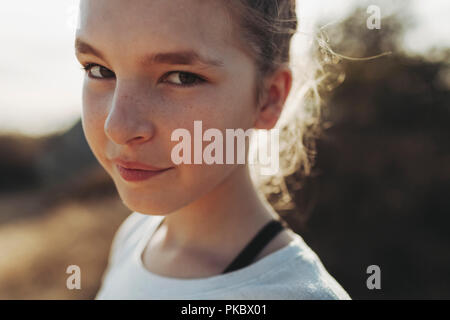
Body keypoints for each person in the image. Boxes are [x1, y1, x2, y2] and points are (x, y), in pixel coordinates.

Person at [74, 0, 350, 299]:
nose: (118, 127)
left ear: (270, 97)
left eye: (181, 77)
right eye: (99, 70)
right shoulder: (136, 236)